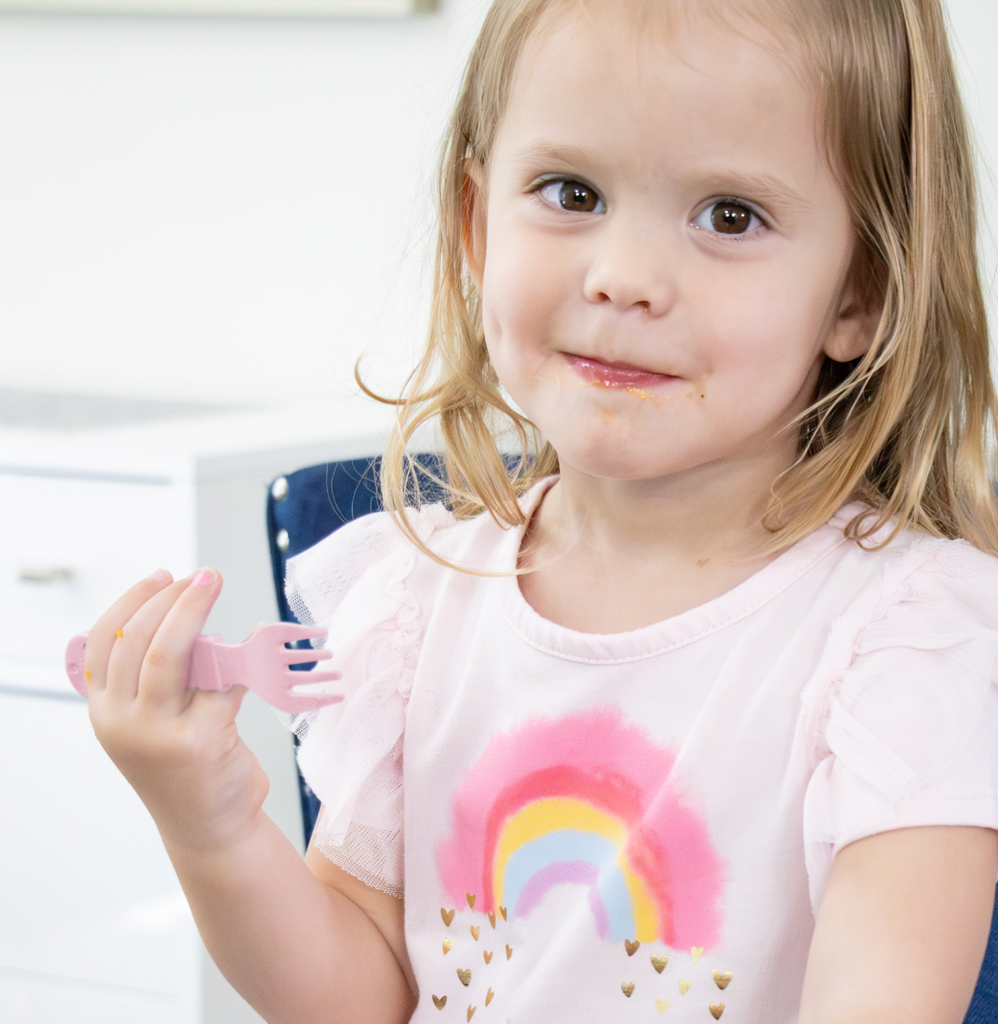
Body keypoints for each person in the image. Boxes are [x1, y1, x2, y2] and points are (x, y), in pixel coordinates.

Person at [82, 0, 998, 1020]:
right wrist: (206, 817)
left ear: (858, 291)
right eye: (570, 192)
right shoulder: (412, 604)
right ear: (477, 226)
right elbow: (359, 999)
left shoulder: (906, 644)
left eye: (729, 215)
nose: (622, 279)